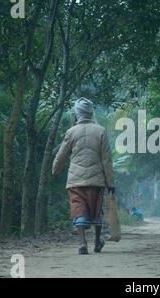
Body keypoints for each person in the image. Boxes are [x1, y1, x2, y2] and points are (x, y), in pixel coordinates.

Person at [52, 97, 115, 255]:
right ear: (91, 112)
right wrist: (110, 183)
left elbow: (62, 155)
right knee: (96, 210)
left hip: (76, 180)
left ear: (77, 113)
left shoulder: (71, 132)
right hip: (96, 180)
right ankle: (97, 242)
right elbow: (106, 160)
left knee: (78, 208)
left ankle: (82, 243)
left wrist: (55, 170)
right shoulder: (100, 131)